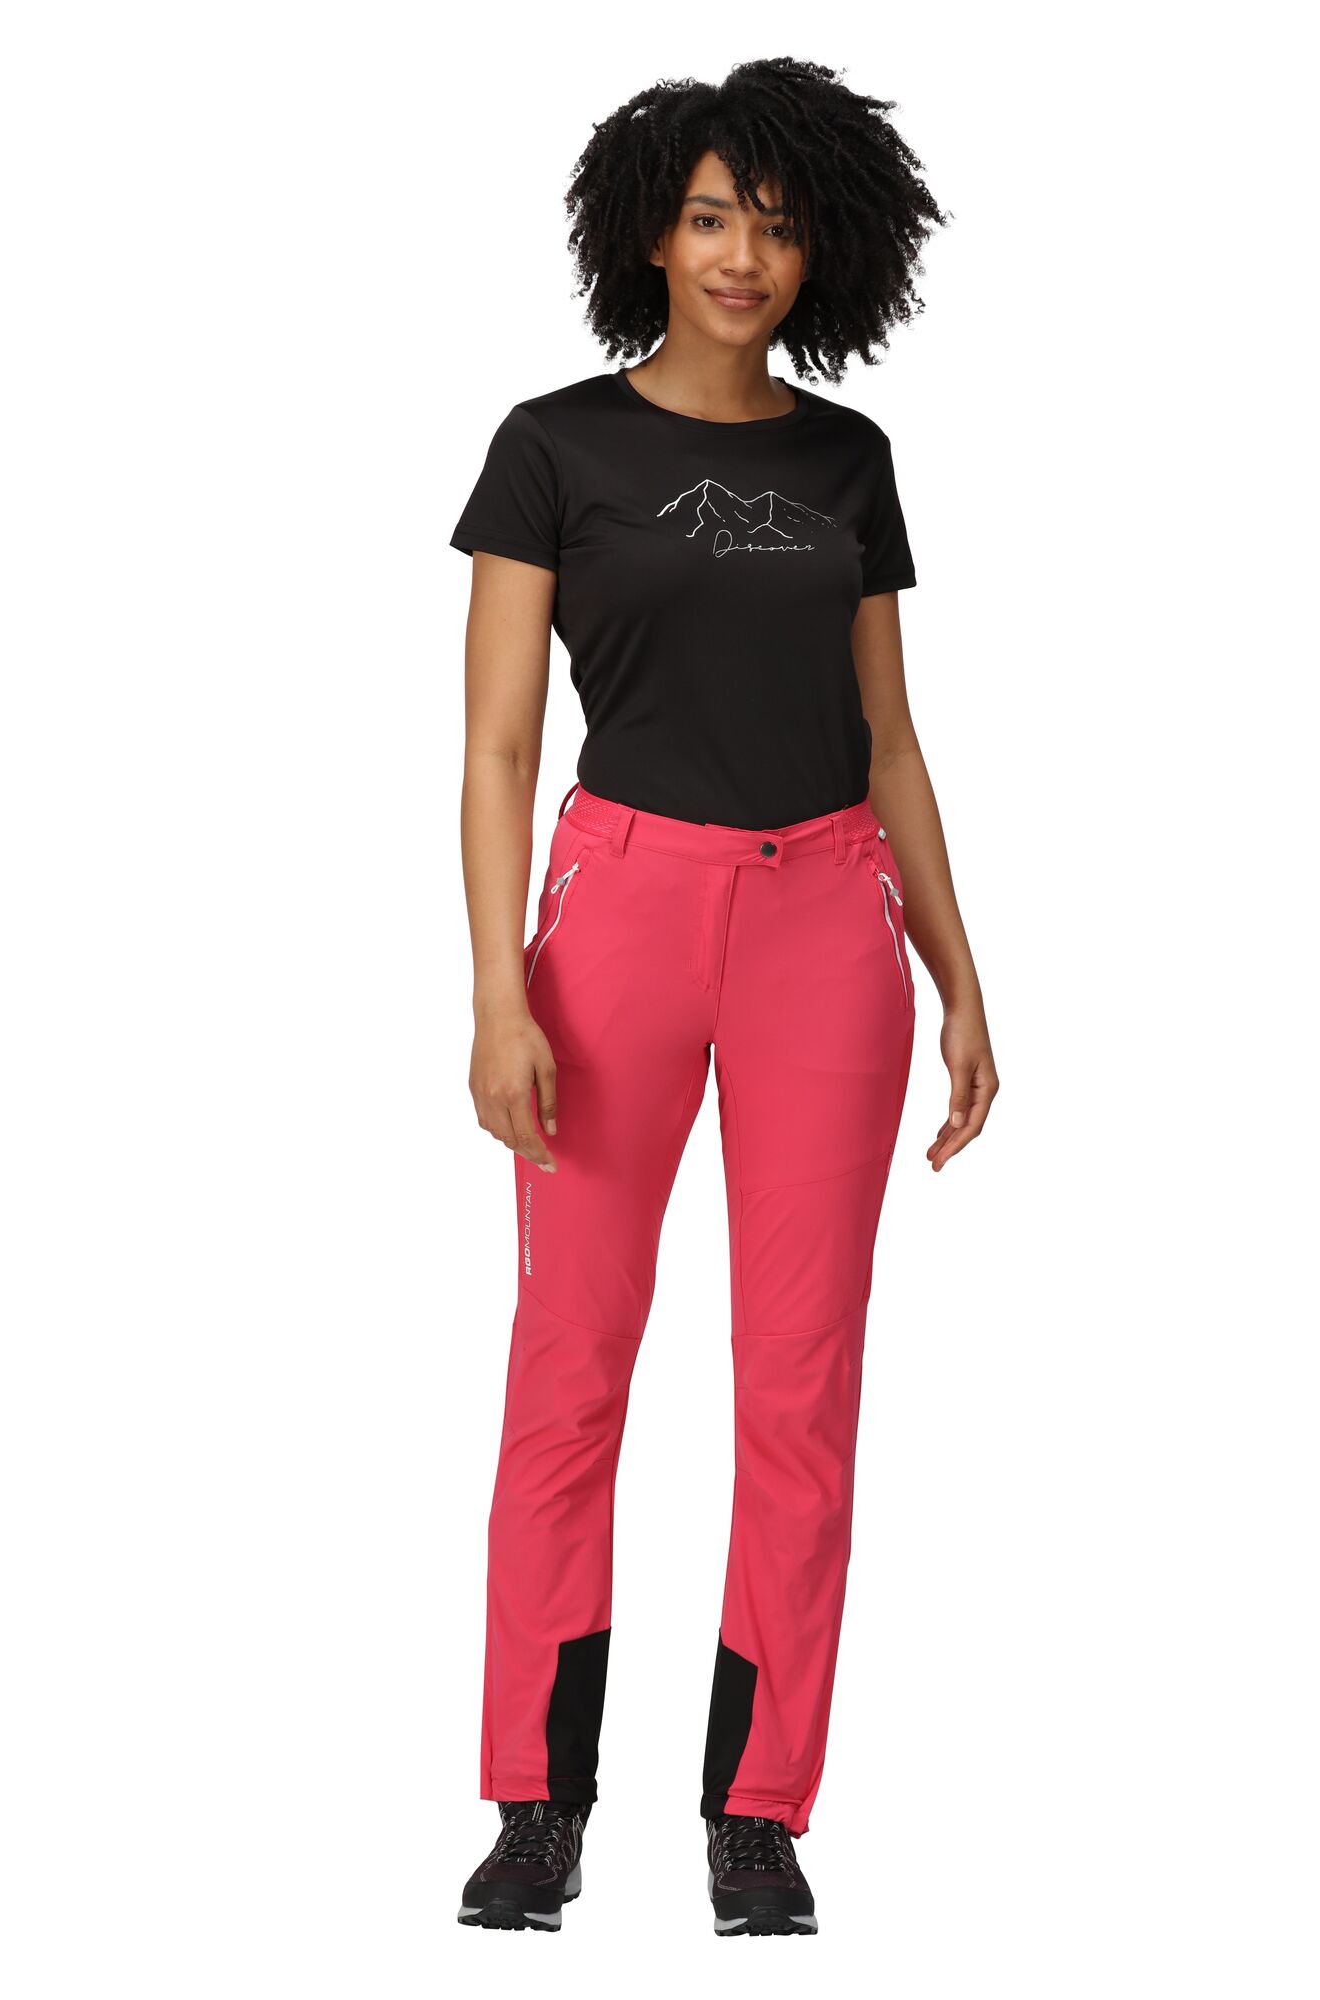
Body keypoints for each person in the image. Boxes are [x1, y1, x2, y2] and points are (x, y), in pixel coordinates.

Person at [450, 57, 997, 1937]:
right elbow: (497, 746)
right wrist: (497, 992)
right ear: (648, 237)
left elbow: (893, 741)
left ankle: (758, 1814)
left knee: (804, 1379)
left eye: (773, 222)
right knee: (569, 1369)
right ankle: (536, 1806)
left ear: (823, 245)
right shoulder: (553, 449)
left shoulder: (851, 464)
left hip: (827, 922)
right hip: (615, 913)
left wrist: (959, 970)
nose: (741, 255)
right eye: (707, 218)